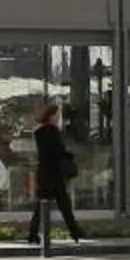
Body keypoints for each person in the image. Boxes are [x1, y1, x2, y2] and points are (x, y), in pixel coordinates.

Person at [30, 101, 82, 245]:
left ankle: (33, 233)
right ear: (51, 115)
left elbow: (45, 152)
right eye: (57, 115)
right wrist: (69, 155)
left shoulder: (38, 131)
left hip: (44, 172)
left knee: (41, 206)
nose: (59, 117)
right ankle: (75, 232)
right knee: (64, 204)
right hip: (54, 173)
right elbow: (57, 151)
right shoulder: (52, 130)